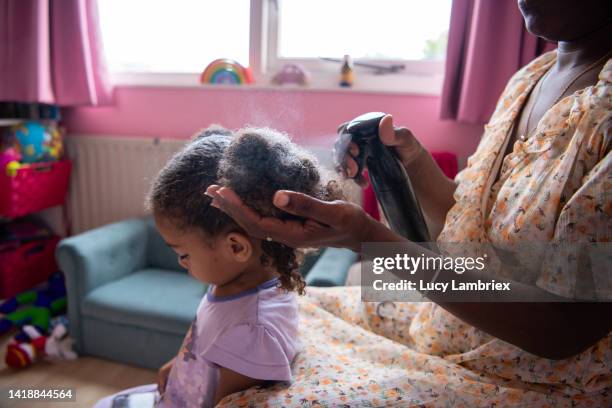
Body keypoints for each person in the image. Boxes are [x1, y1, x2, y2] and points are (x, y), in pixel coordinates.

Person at [205, 0, 612, 405]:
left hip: (539, 379)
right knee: (266, 318)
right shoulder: (529, 78)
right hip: (449, 328)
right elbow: (472, 222)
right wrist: (411, 161)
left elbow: (565, 328)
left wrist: (369, 239)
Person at [93, 126, 342, 408]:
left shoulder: (252, 331)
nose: (181, 262)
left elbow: (228, 403)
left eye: (184, 254)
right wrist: (179, 365)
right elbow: (208, 345)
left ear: (235, 247)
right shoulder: (232, 285)